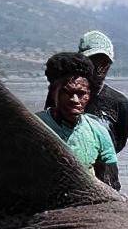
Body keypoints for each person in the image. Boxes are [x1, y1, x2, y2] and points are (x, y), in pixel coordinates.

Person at [37, 52, 120, 190]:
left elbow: (112, 184)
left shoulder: (97, 131)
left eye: (81, 94)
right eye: (67, 93)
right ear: (53, 93)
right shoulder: (37, 126)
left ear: (89, 95)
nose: (75, 100)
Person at [78, 30, 128, 153]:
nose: (99, 67)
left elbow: (120, 142)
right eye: (93, 60)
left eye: (104, 62)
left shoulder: (120, 103)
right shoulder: (64, 96)